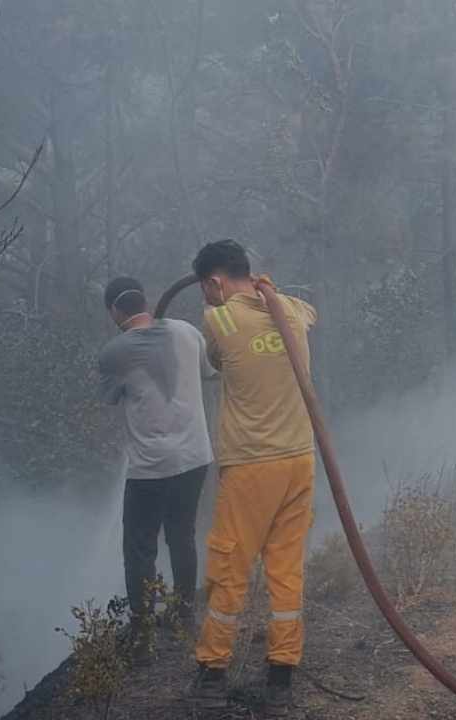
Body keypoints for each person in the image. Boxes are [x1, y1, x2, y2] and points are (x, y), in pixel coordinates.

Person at [190, 240, 318, 717]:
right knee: (286, 568)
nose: (206, 298)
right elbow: (308, 312)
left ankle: (212, 672)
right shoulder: (292, 310)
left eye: (206, 289)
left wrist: (227, 303)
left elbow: (216, 354)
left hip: (252, 464)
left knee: (229, 567)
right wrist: (267, 291)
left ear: (215, 281)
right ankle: (281, 676)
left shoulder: (219, 319)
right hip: (299, 459)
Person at [97, 277, 215, 661]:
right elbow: (210, 371)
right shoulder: (187, 332)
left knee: (139, 548)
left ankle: (143, 634)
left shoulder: (114, 352)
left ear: (114, 310)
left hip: (150, 466)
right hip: (195, 457)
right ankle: (185, 615)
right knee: (182, 535)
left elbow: (111, 398)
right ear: (144, 300)